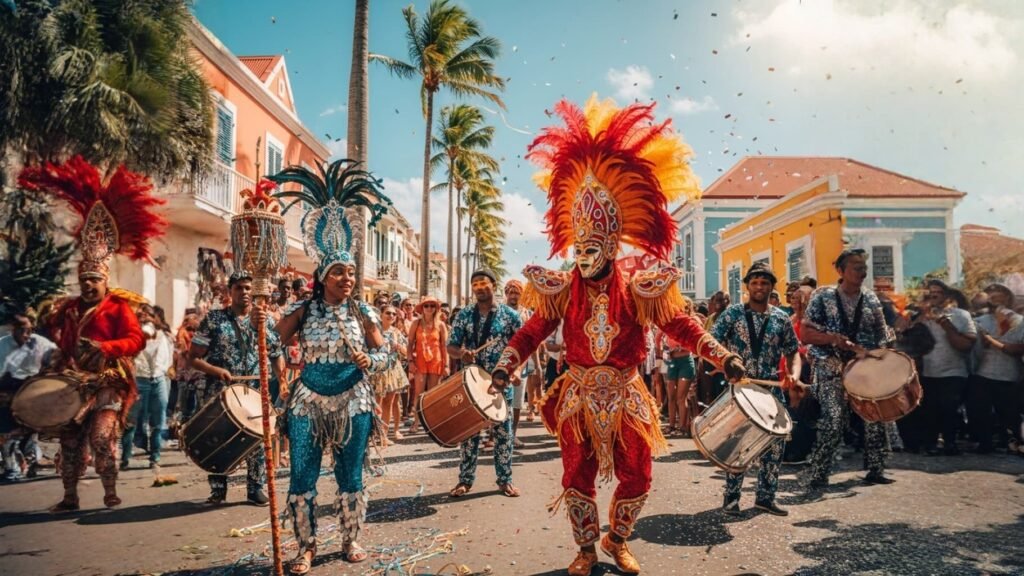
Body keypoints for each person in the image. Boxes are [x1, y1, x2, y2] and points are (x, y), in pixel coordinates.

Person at [490, 97, 745, 576]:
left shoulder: (641, 289)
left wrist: (721, 355)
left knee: (639, 474)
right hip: (579, 393)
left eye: (592, 248)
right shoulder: (562, 290)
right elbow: (532, 330)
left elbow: (680, 325)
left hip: (628, 392)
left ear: (608, 244)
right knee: (576, 474)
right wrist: (506, 364)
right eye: (578, 248)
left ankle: (617, 538)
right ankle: (585, 549)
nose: (583, 257)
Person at [267, 160, 391, 572]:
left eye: (351, 272)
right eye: (339, 272)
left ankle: (350, 539)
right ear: (322, 276)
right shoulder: (302, 309)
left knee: (350, 475)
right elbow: (271, 341)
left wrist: (368, 359)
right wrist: (259, 324)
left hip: (354, 401)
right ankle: (305, 547)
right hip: (307, 405)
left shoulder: (365, 314)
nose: (348, 278)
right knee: (302, 475)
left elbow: (386, 356)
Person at [20, 156, 161, 511]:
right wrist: (55, 348)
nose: (87, 285)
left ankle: (110, 491)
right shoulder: (67, 308)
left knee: (101, 438)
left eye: (94, 280)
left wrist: (104, 345)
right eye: (83, 280)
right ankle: (69, 497)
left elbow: (136, 340)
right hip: (72, 380)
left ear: (105, 280)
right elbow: (61, 343)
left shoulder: (118, 307)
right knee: (70, 442)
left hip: (106, 381)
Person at [187, 271, 285, 506]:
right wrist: (216, 371)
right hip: (220, 390)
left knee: (257, 439)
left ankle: (255, 488)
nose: (244, 292)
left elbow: (276, 353)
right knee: (218, 438)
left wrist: (281, 379)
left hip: (253, 389)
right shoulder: (214, 320)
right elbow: (194, 358)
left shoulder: (266, 320)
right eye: (239, 288)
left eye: (248, 288)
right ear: (230, 291)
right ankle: (218, 488)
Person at [801, 249, 895, 489]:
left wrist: (883, 353)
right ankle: (820, 472)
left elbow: (881, 334)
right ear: (841, 271)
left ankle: (876, 469)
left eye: (864, 267)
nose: (862, 272)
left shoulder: (872, 299)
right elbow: (806, 333)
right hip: (831, 367)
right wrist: (833, 339)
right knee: (833, 419)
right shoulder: (823, 296)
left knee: (874, 418)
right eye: (856, 266)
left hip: (864, 368)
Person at [712, 263, 801, 516]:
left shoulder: (781, 318)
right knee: (738, 443)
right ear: (747, 286)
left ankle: (765, 498)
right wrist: (725, 364)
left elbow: (793, 352)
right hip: (740, 387)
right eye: (755, 283)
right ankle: (731, 498)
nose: (759, 287)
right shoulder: (731, 314)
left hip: (771, 388)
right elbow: (712, 343)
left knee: (775, 446)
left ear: (772, 286)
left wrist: (793, 375)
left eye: (764, 283)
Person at [447, 268, 524, 499]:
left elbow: (521, 347)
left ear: (493, 285)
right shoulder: (463, 315)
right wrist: (462, 354)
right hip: (471, 384)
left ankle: (505, 480)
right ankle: (465, 480)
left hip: (501, 382)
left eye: (484, 283)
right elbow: (451, 346)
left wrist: (517, 370)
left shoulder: (510, 316)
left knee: (503, 433)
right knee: (469, 435)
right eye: (475, 284)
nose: (479, 287)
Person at [917, 279, 976, 455]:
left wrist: (947, 326)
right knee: (931, 409)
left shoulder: (961, 315)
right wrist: (916, 316)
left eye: (938, 292)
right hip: (928, 370)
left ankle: (950, 443)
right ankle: (931, 443)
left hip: (954, 370)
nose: (933, 296)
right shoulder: (920, 316)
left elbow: (967, 345)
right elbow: (904, 335)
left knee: (949, 408)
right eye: (930, 293)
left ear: (947, 295)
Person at [1, 311, 57, 481]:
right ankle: (13, 470)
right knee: (6, 432)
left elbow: (57, 356)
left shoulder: (40, 342)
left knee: (30, 431)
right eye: (20, 329)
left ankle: (31, 463)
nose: (24, 334)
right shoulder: (2, 345)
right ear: (13, 328)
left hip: (34, 389)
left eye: (28, 329)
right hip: (7, 389)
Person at [968, 284, 1023, 454]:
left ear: (1007, 298)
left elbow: (1019, 348)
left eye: (999, 295)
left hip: (1008, 375)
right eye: (992, 295)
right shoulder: (980, 321)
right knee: (981, 411)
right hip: (983, 372)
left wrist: (992, 341)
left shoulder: (1019, 322)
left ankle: (1011, 443)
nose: (995, 299)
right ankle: (985, 442)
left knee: (1009, 413)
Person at [120, 304, 174, 470]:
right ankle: (125, 457)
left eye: (147, 314)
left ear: (154, 317)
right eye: (140, 314)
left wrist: (166, 371)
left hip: (158, 379)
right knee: (131, 421)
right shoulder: (132, 336)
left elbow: (169, 356)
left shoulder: (164, 336)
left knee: (158, 421)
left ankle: (155, 456)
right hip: (139, 380)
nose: (144, 316)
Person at [407, 295, 449, 434]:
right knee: (418, 393)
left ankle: (431, 423)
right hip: (420, 361)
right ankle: (416, 421)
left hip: (436, 361)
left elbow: (444, 346)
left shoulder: (441, 325)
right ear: (422, 308)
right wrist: (410, 362)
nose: (429, 308)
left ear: (436, 308)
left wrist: (446, 365)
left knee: (432, 394)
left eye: (432, 306)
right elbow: (409, 344)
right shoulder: (416, 323)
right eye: (426, 305)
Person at [504, 279, 538, 444]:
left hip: (522, 362)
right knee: (499, 398)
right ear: (506, 294)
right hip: (501, 361)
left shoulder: (526, 314)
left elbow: (533, 341)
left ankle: (512, 434)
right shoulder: (499, 312)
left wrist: (537, 365)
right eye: (511, 292)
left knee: (517, 401)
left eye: (517, 292)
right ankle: (493, 435)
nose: (514, 296)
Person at [373, 305, 410, 445]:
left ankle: (384, 435)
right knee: (377, 403)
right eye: (388, 313)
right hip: (377, 370)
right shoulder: (374, 330)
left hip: (393, 369)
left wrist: (399, 347)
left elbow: (407, 352)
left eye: (394, 314)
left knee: (389, 403)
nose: (391, 316)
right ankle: (374, 433)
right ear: (381, 314)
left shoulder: (396, 332)